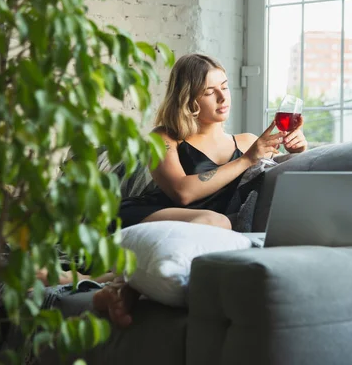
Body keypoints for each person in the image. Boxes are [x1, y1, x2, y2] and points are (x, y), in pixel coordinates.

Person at [92, 53, 308, 327]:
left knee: (217, 226)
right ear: (188, 99)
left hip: (204, 234)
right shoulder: (164, 138)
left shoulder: (247, 142)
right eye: (210, 91)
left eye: (225, 86)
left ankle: (116, 287)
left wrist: (299, 151)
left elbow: (289, 189)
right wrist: (246, 159)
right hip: (151, 215)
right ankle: (105, 283)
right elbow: (182, 192)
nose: (223, 97)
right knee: (216, 221)